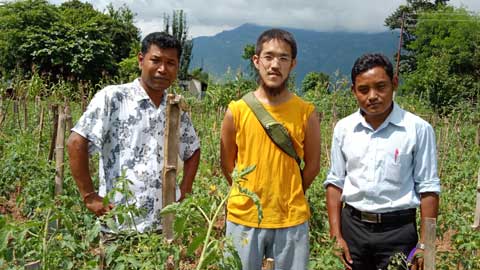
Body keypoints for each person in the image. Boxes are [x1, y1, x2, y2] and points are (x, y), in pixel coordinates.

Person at [67, 32, 200, 233]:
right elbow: (76, 142)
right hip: (119, 224)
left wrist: (185, 191)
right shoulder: (113, 98)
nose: (163, 69)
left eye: (170, 63)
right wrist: (90, 196)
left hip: (164, 226)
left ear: (177, 67)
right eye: (155, 60)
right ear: (141, 60)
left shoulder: (174, 106)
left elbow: (193, 150)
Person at [324, 53, 440, 270]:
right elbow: (335, 183)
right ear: (354, 91)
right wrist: (336, 236)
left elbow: (429, 188)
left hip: (398, 230)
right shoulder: (344, 128)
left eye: (381, 87)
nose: (373, 96)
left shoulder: (417, 129)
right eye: (364, 90)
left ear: (394, 84)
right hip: (353, 228)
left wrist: (426, 244)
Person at [220, 28, 321, 270]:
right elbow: (227, 166)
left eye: (283, 58)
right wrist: (247, 193)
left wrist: (290, 192)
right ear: (256, 61)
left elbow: (313, 167)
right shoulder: (237, 111)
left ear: (293, 64)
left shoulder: (306, 113)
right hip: (244, 217)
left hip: (291, 218)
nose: (275, 65)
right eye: (268, 57)